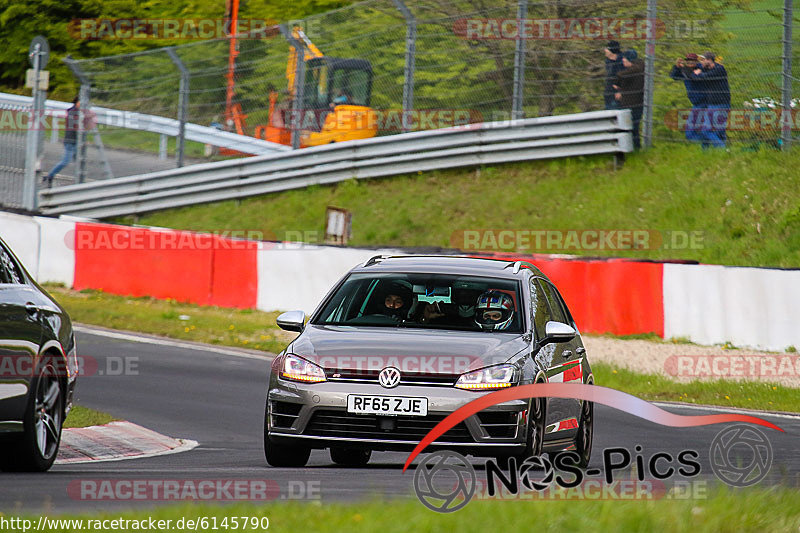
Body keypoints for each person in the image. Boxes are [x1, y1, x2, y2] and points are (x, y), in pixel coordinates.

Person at [687, 52, 730, 148]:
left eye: (703, 60)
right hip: (711, 105)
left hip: (722, 104)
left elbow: (701, 77)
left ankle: (722, 152)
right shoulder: (706, 68)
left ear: (709, 60)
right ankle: (710, 152)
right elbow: (694, 68)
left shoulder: (719, 70)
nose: (701, 62)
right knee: (705, 130)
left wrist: (695, 74)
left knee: (719, 132)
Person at [43, 96, 80, 187]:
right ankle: (50, 175)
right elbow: (74, 127)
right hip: (70, 141)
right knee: (65, 161)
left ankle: (79, 181)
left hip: (75, 141)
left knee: (79, 162)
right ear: (76, 102)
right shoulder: (73, 112)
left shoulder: (77, 112)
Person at [669, 53, 705, 142]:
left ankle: (706, 143)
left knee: (691, 131)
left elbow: (693, 75)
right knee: (694, 131)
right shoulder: (686, 71)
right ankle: (705, 145)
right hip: (695, 103)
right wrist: (677, 67)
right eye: (688, 61)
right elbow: (674, 76)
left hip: (703, 102)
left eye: (692, 60)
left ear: (696, 61)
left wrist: (699, 65)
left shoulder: (701, 70)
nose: (690, 63)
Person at [614, 49, 645, 150]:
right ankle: (634, 147)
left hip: (633, 103)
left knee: (632, 127)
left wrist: (617, 84)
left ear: (629, 59)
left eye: (625, 58)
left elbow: (621, 75)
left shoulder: (635, 69)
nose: (623, 60)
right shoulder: (639, 68)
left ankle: (634, 147)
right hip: (633, 102)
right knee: (632, 127)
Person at [603, 40, 625, 110]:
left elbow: (625, 78)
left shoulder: (622, 63)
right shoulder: (609, 62)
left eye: (607, 49)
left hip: (616, 97)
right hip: (609, 95)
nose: (605, 50)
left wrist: (620, 91)